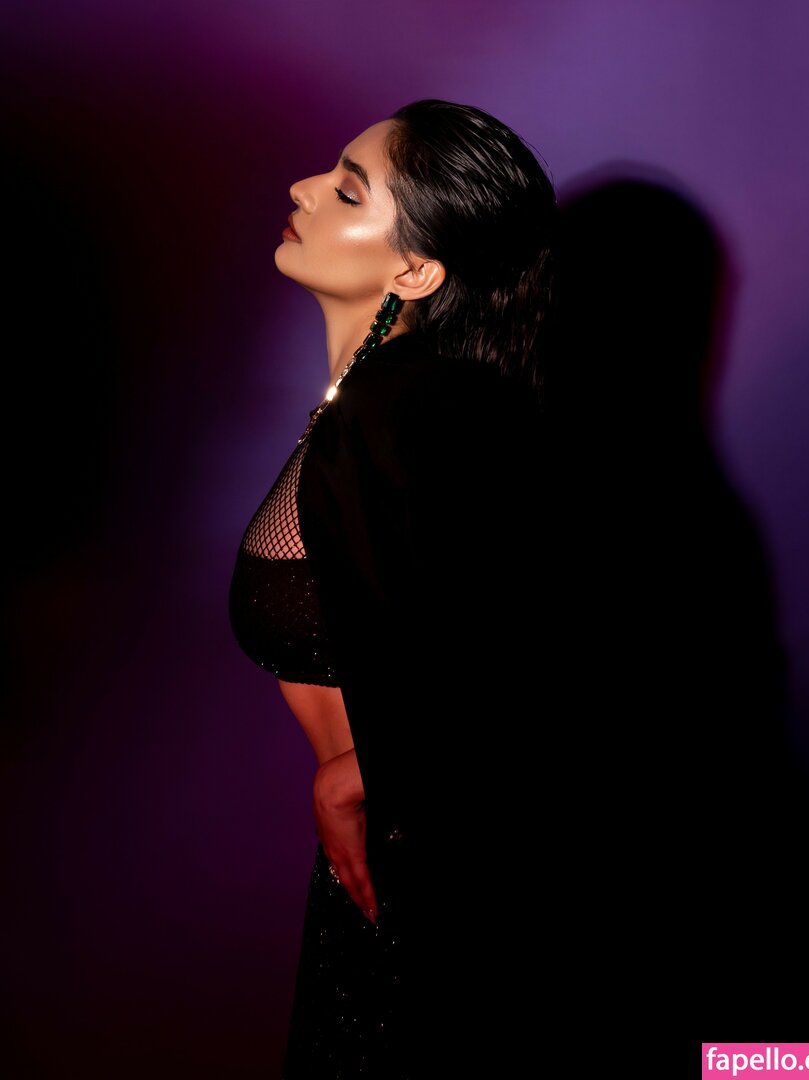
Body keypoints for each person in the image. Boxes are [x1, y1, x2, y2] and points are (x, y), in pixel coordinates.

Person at [228, 100, 566, 1078]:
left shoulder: (407, 407)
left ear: (416, 271)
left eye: (346, 192)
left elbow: (527, 651)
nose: (303, 189)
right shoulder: (378, 402)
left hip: (438, 893)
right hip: (392, 873)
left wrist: (352, 775)